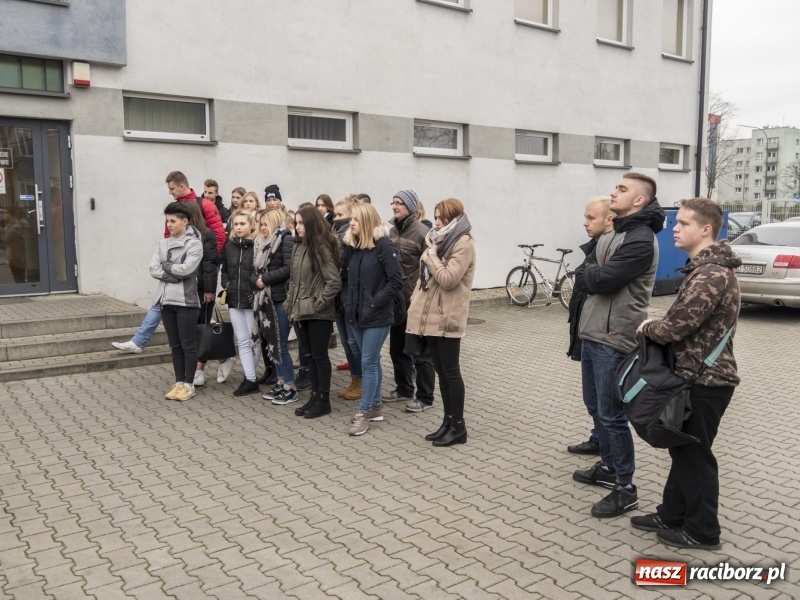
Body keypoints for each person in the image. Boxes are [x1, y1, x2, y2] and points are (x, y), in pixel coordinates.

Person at [632, 198, 740, 550]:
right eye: (676, 222)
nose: (674, 229)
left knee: (694, 457)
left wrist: (648, 326)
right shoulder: (706, 269)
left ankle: (703, 531)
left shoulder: (710, 274)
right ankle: (672, 515)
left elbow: (675, 328)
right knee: (684, 451)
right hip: (697, 376)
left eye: (683, 223)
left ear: (706, 229)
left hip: (705, 381)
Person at [572, 173, 664, 518]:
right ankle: (608, 468)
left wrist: (593, 274)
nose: (614, 192)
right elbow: (584, 274)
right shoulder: (615, 233)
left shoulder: (641, 239)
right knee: (596, 407)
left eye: (622, 189)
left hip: (615, 338)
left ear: (639, 200)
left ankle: (625, 489)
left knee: (612, 417)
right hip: (593, 332)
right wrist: (592, 274)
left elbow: (601, 280)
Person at [112, 171, 224, 354]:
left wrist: (200, 266)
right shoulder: (174, 208)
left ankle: (216, 358)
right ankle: (139, 341)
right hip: (176, 269)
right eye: (168, 221)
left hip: (197, 271)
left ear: (181, 186)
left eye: (172, 188)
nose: (169, 192)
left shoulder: (204, 205)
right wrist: (170, 266)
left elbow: (217, 239)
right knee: (161, 303)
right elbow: (167, 240)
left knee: (199, 321)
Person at [406, 198, 476, 447]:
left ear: (452, 219)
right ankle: (447, 422)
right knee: (442, 372)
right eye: (435, 217)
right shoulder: (438, 241)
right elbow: (425, 280)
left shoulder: (463, 243)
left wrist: (432, 256)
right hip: (432, 318)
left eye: (440, 218)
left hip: (448, 318)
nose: (435, 222)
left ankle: (458, 426)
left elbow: (448, 279)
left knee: (451, 373)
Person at [343, 204, 403, 436]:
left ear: (367, 221)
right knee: (371, 359)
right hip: (357, 314)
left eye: (356, 219)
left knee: (367, 362)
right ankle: (376, 406)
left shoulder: (383, 245)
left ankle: (364, 412)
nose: (351, 223)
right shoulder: (353, 246)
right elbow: (346, 279)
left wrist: (375, 302)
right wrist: (349, 302)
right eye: (351, 219)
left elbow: (395, 281)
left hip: (377, 315)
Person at [566, 197, 614, 455]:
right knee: (592, 399)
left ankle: (609, 458)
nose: (585, 223)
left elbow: (590, 282)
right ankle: (598, 440)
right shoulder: (597, 247)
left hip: (604, 336)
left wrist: (585, 276)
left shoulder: (611, 248)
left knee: (604, 405)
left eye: (591, 218)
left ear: (609, 220)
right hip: (588, 331)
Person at [285, 206, 342, 419]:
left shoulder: (321, 247)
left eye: (301, 223)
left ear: (311, 223)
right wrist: (290, 305)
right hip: (300, 312)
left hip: (318, 314)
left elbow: (333, 282)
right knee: (309, 357)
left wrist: (317, 304)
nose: (297, 227)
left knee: (319, 357)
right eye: (296, 223)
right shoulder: (298, 246)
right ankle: (315, 396)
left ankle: (324, 401)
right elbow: (294, 280)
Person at [385, 190, 435, 413]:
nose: (395, 206)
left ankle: (425, 397)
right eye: (393, 202)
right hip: (397, 301)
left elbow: (429, 269)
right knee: (397, 349)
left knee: (421, 352)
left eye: (400, 203)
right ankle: (404, 388)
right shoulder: (390, 231)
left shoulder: (423, 233)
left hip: (416, 301)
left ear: (412, 207)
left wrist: (417, 292)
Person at [151, 202, 202, 402]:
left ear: (185, 221)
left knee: (188, 345)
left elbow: (187, 270)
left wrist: (167, 267)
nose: (169, 225)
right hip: (166, 301)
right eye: (167, 221)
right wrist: (173, 273)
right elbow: (153, 269)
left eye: (173, 221)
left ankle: (189, 384)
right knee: (175, 345)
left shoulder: (194, 244)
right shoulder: (163, 243)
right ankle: (179, 382)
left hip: (186, 302)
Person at [252, 209, 299, 405]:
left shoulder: (285, 239)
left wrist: (265, 279)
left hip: (280, 299)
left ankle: (291, 386)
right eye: (261, 224)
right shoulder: (259, 242)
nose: (263, 228)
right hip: (265, 300)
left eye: (266, 224)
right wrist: (255, 280)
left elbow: (288, 269)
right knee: (272, 343)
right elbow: (253, 269)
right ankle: (281, 381)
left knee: (280, 344)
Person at [220, 209, 262, 396]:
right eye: (235, 224)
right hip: (234, 299)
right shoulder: (229, 246)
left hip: (251, 299)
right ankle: (250, 379)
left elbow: (259, 270)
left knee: (255, 339)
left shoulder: (257, 245)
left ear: (251, 225)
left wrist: (253, 287)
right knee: (242, 340)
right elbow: (224, 269)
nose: (238, 227)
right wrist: (225, 283)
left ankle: (250, 377)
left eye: (242, 224)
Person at [182, 201, 220, 387]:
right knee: (191, 330)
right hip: (186, 289)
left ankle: (199, 370)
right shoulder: (180, 236)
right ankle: (223, 357)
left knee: (202, 328)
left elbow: (210, 263)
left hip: (202, 289)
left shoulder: (207, 234)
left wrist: (209, 290)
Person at [332, 197, 363, 399]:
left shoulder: (352, 239)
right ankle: (354, 379)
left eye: (340, 215)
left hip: (350, 296)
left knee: (354, 342)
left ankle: (362, 381)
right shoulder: (334, 234)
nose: (336, 218)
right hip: (338, 297)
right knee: (345, 341)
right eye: (335, 215)